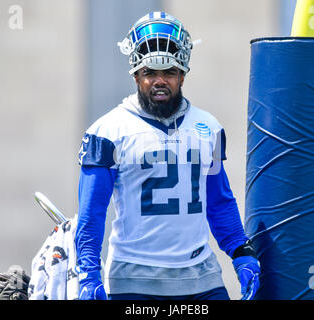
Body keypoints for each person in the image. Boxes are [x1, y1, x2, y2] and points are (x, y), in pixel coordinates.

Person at [75, 11, 260, 301]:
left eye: (169, 72)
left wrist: (241, 251)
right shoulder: (107, 131)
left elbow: (219, 201)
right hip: (133, 280)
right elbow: (92, 214)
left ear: (183, 74)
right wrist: (88, 273)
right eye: (150, 72)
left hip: (201, 279)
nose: (159, 81)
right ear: (136, 74)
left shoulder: (208, 128)